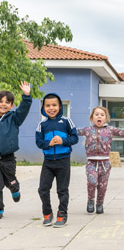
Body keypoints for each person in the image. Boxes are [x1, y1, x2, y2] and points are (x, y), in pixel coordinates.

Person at [77, 106, 124, 214]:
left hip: (105, 163)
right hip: (92, 162)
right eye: (96, 114)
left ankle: (100, 204)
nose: (99, 116)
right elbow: (73, 132)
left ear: (106, 118)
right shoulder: (87, 130)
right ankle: (90, 200)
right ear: (92, 118)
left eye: (102, 115)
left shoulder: (110, 130)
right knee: (92, 181)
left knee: (102, 186)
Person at [36, 93, 78, 228]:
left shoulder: (66, 121)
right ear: (43, 107)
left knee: (62, 190)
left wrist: (63, 141)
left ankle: (62, 214)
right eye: (48, 105)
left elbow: (75, 138)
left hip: (63, 161)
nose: (51, 108)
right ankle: (47, 213)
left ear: (60, 106)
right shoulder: (42, 124)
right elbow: (38, 142)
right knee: (43, 189)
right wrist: (48, 143)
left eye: (54, 105)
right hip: (48, 162)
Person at [0, 82, 32, 219]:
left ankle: (15, 188)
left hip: (8, 158)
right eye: (1, 101)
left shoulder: (14, 118)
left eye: (7, 102)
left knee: (10, 180)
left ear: (12, 105)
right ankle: (0, 209)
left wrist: (26, 96)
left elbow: (23, 110)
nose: (3, 104)